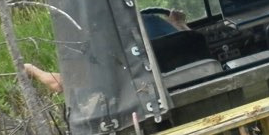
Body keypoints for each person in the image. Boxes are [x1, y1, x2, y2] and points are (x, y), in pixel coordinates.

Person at [25, 8, 191, 94]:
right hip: (185, 83)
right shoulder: (152, 21)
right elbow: (190, 42)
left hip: (138, 103)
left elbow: (62, 83)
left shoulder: (102, 43)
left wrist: (34, 71)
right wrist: (179, 24)